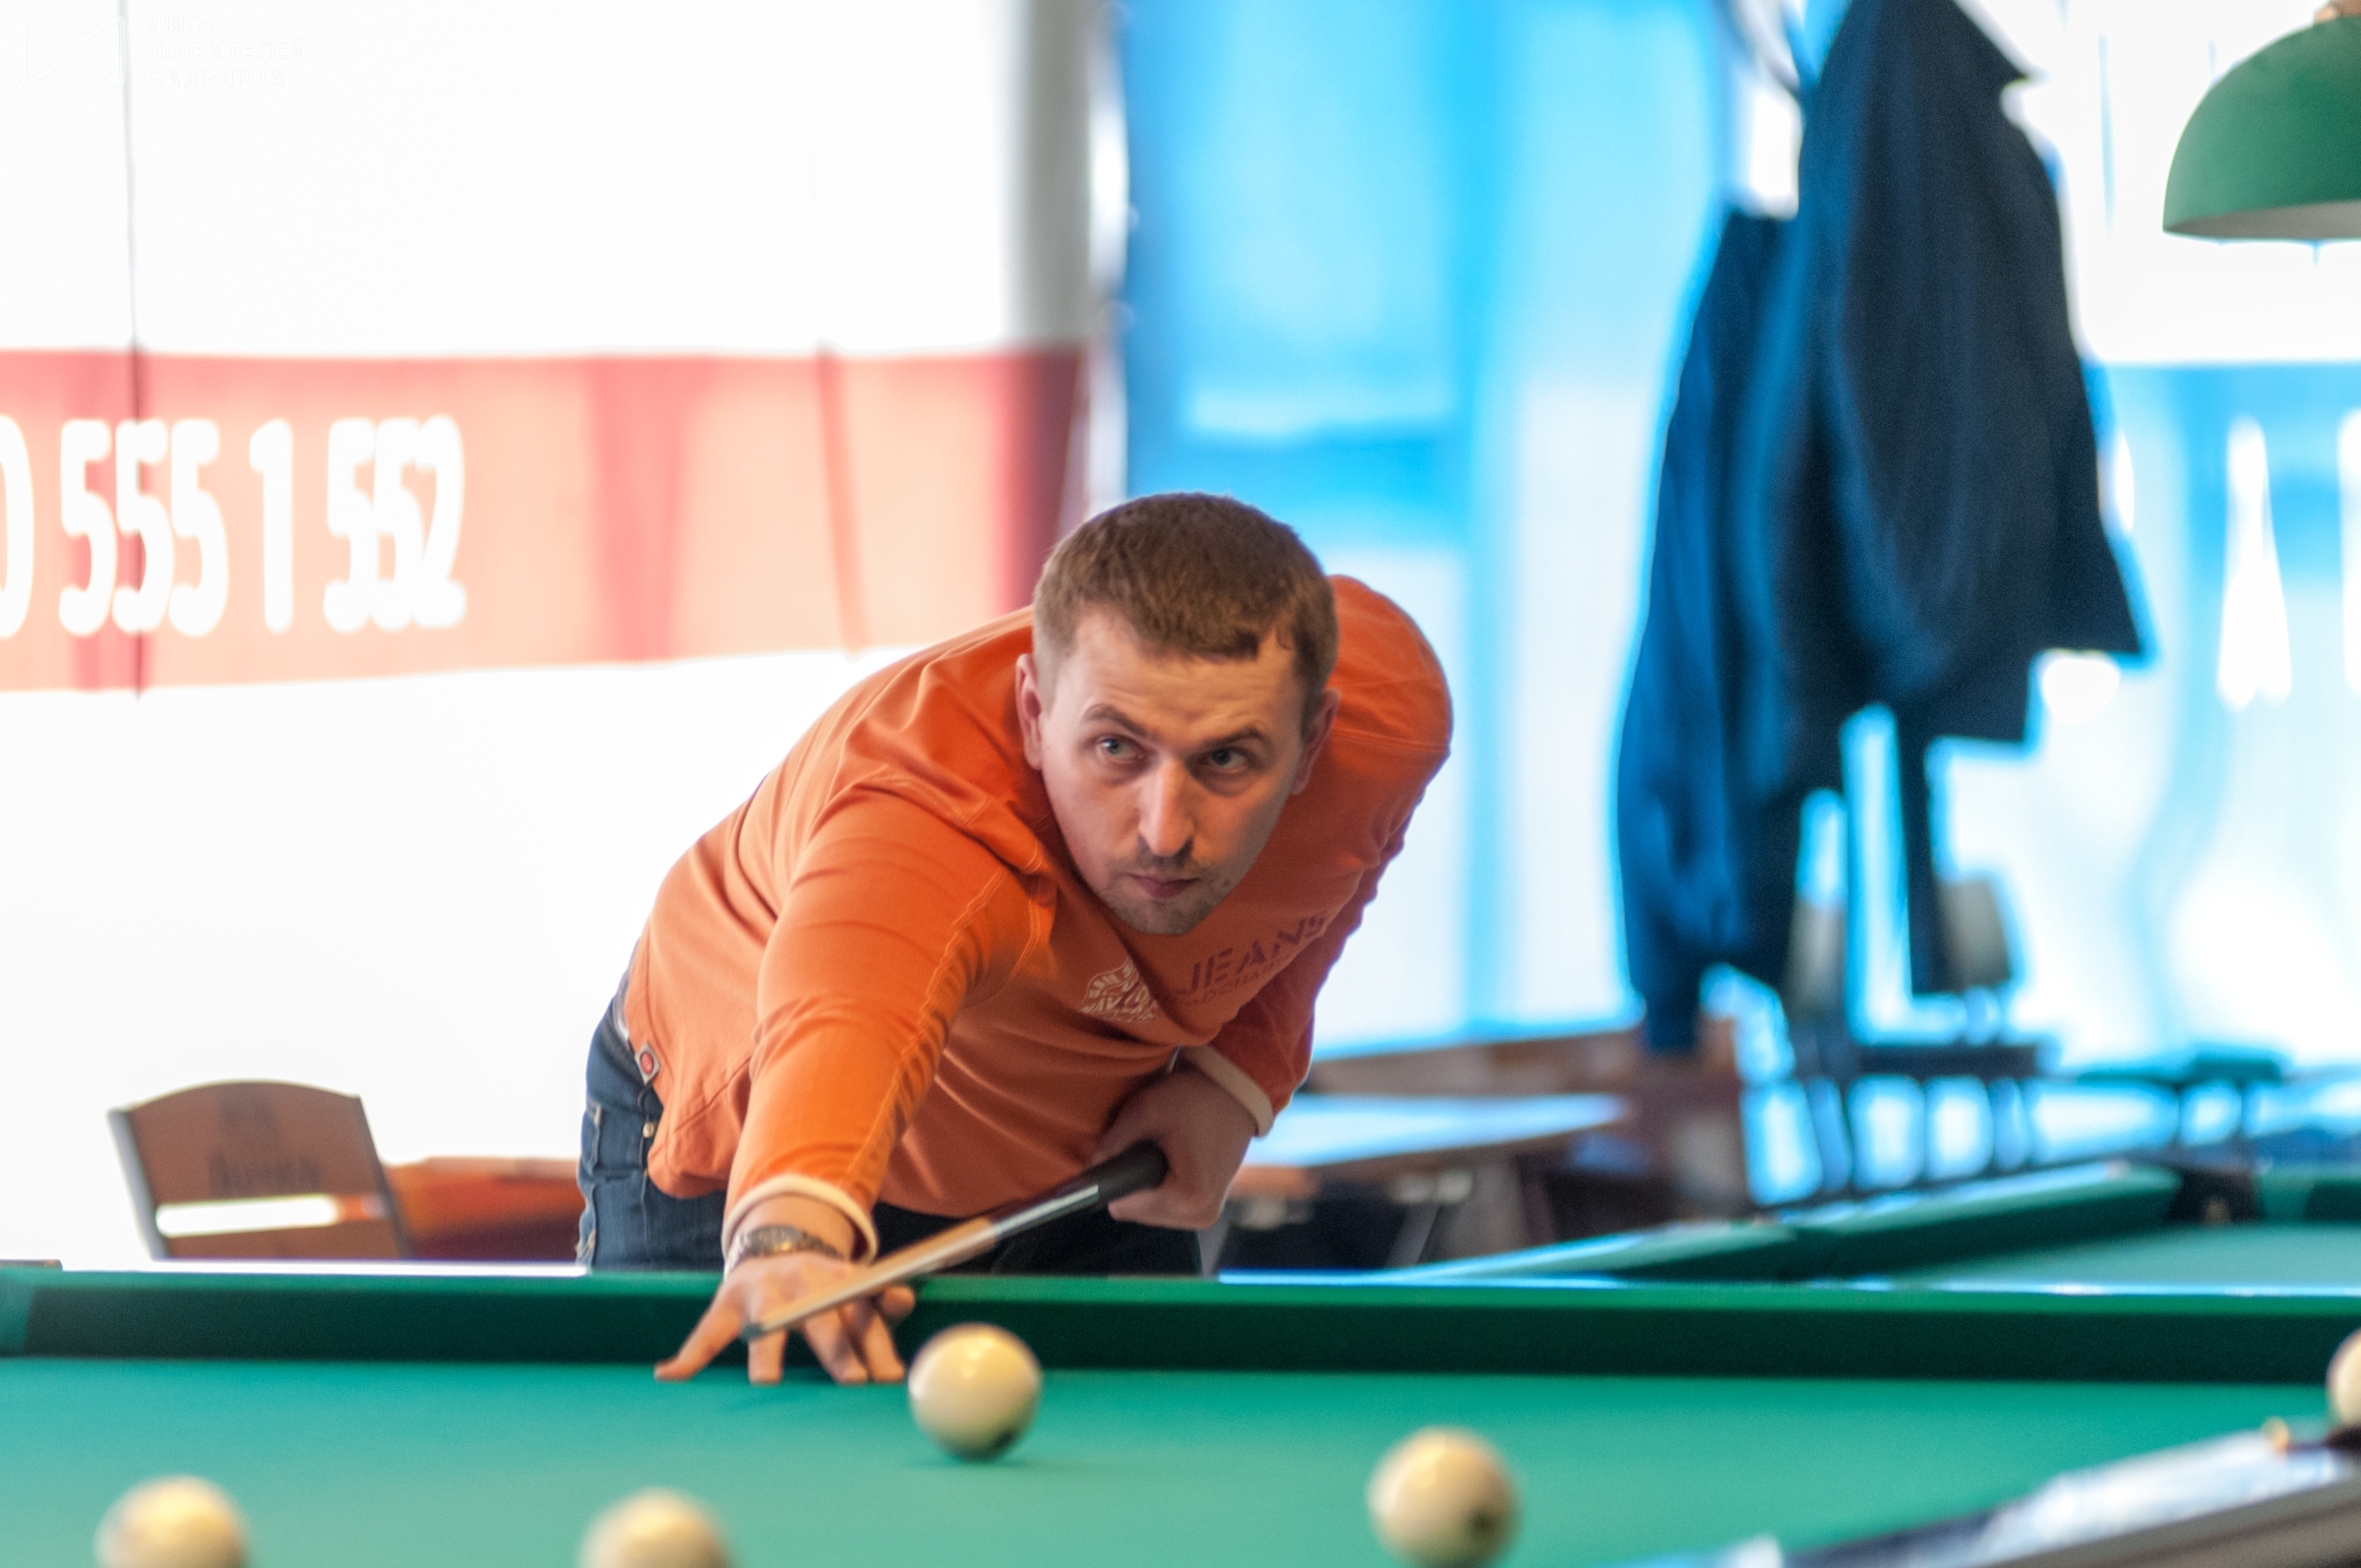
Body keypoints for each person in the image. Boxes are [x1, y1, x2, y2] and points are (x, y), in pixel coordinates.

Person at [576, 492, 1451, 1385]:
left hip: (1084, 1142)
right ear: (1035, 716)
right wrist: (788, 1234)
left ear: (1313, 742)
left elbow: (1335, 873)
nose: (1164, 831)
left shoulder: (1387, 718)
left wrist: (1234, 1079)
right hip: (751, 1128)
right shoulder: (927, 821)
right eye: (1117, 749)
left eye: (1226, 759)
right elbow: (842, 1018)